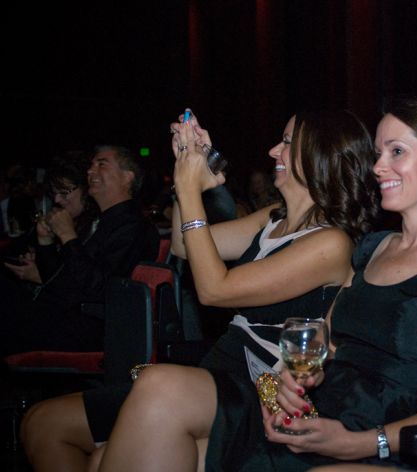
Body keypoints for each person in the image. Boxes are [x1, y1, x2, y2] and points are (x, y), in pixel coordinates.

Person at [94, 96, 417, 471]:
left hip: (379, 442)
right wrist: (291, 384)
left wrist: (363, 442)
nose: (378, 165)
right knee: (124, 448)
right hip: (312, 422)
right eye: (378, 152)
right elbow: (321, 345)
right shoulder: (374, 248)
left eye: (396, 152)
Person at [20, 108, 381, 472]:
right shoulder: (273, 218)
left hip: (259, 388)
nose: (274, 151)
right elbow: (181, 244)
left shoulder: (332, 243)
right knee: (43, 423)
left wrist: (192, 187)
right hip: (220, 371)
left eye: (287, 143)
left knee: (106, 452)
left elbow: (214, 290)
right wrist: (186, 173)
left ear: (319, 155)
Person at [1, 145, 160, 357]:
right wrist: (45, 241)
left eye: (101, 164)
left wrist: (68, 237)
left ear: (127, 177)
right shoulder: (101, 223)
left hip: (92, 328)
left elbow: (99, 291)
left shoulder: (133, 227)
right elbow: (60, 280)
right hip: (66, 315)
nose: (90, 170)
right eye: (91, 165)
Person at [3, 151, 100, 287]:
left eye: (64, 192)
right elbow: (52, 267)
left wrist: (39, 277)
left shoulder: (99, 226)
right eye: (54, 193)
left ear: (85, 189)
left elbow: (88, 284)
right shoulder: (63, 219)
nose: (57, 199)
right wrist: (42, 247)